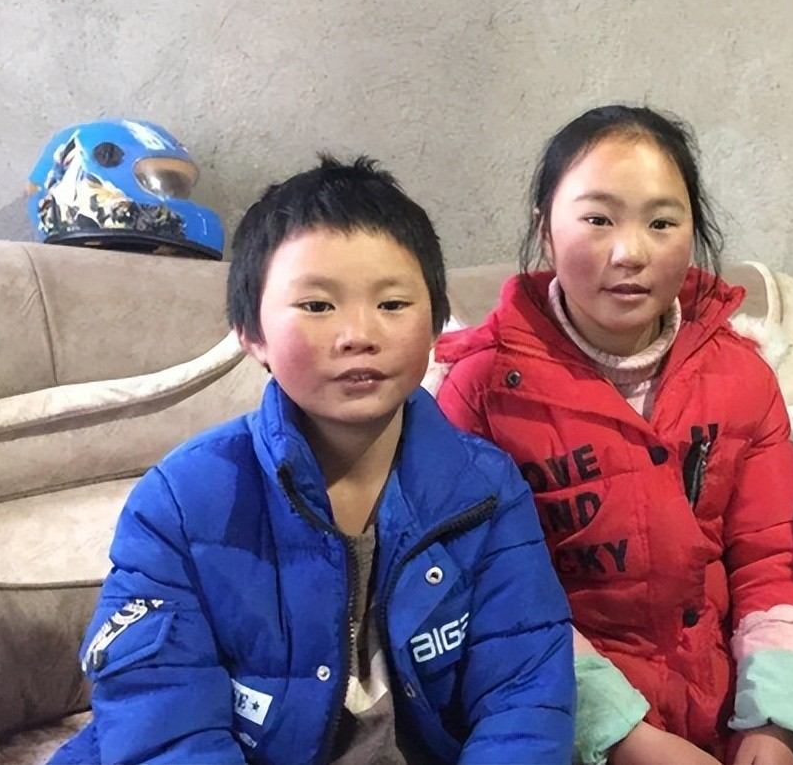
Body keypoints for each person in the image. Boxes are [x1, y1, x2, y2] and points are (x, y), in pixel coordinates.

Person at [51, 156, 574, 764]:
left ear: (436, 323)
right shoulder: (182, 501)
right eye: (318, 306)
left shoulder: (485, 490)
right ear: (252, 334)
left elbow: (525, 696)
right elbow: (159, 717)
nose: (359, 334)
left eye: (393, 304)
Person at [434, 106, 793, 765]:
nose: (630, 253)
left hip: (731, 709)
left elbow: (773, 564)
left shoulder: (741, 376)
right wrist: (626, 739)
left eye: (661, 223)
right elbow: (487, 602)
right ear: (546, 231)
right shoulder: (483, 390)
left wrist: (778, 725)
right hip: (565, 718)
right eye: (598, 219)